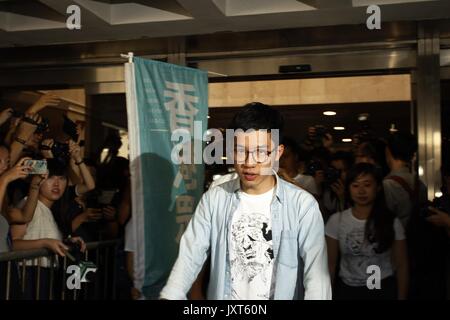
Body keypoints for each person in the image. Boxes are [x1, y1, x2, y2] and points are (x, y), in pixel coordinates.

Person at [160, 102, 331, 300]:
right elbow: (190, 255)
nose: (249, 163)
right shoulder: (216, 198)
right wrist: (170, 295)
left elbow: (316, 276)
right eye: (241, 151)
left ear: (278, 153)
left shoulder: (302, 205)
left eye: (260, 152)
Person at [325, 163, 409, 300]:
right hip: (348, 290)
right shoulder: (337, 221)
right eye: (355, 185)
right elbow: (330, 264)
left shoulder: (391, 221)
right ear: (349, 189)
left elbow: (402, 264)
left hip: (381, 287)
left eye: (367, 185)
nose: (361, 191)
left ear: (378, 188)